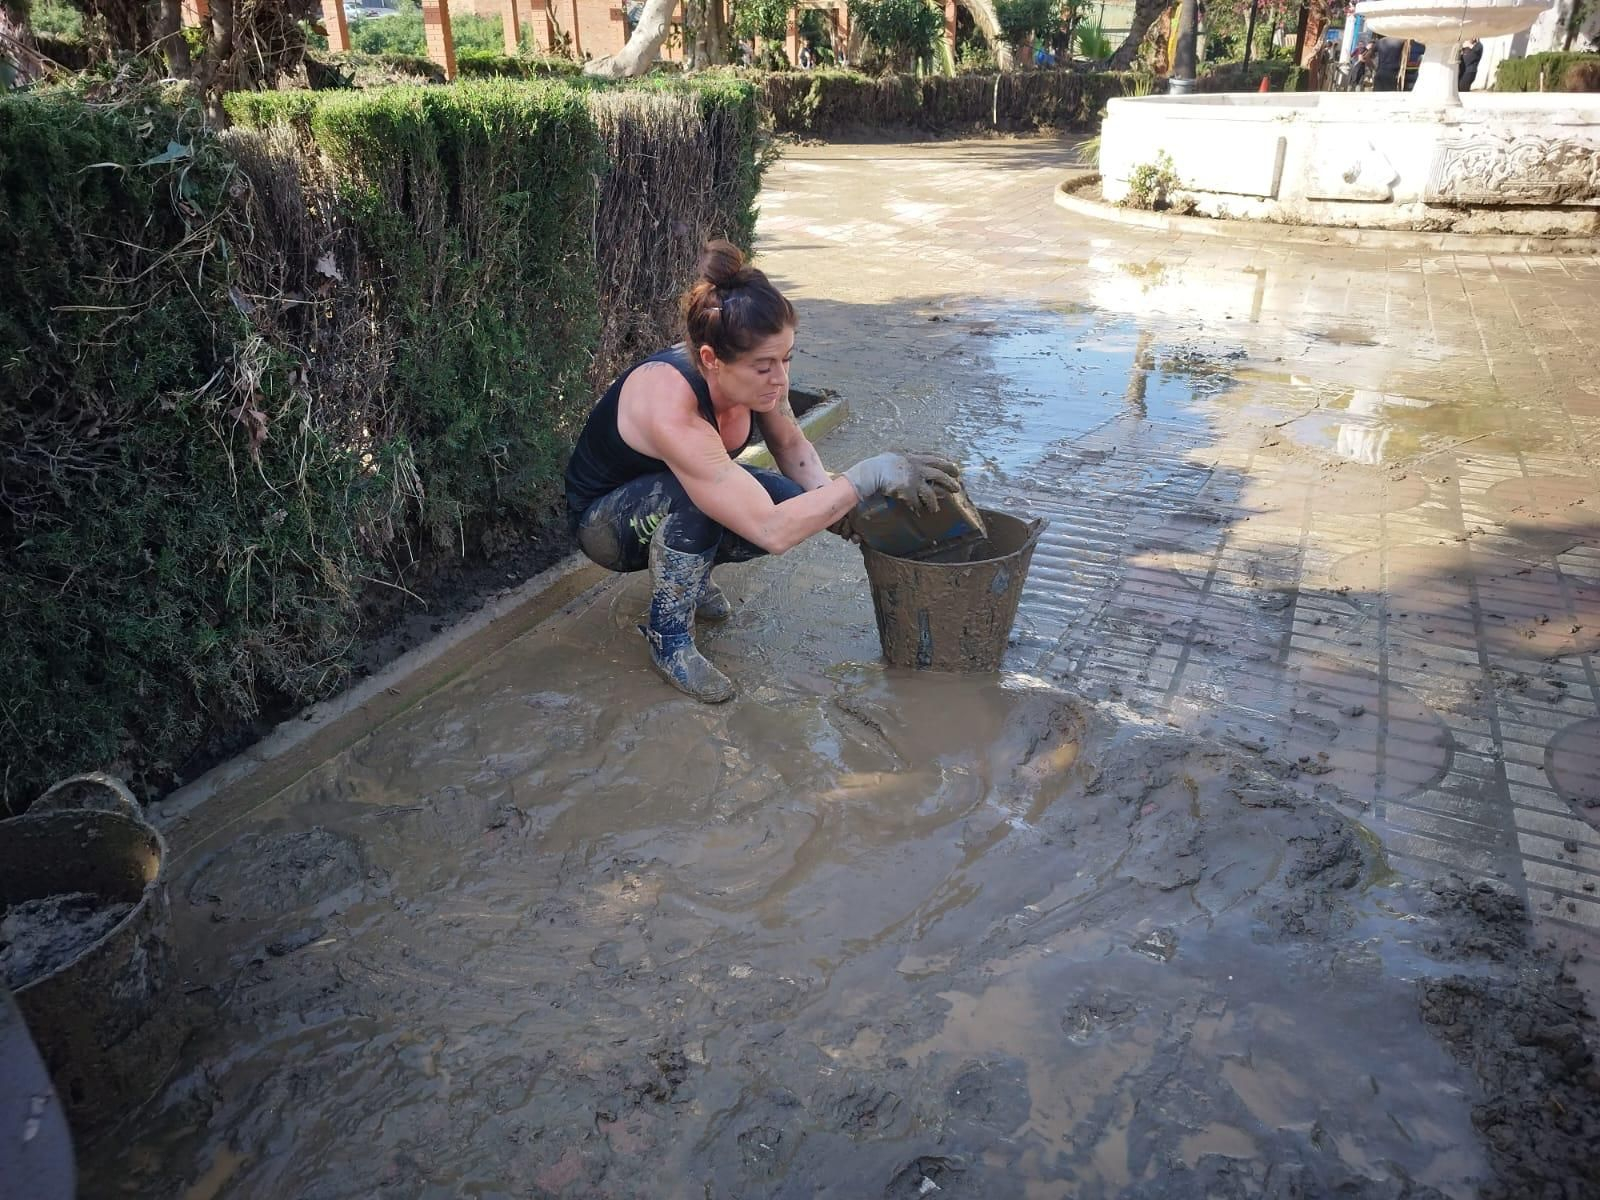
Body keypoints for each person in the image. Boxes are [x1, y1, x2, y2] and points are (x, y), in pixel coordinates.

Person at [564, 241, 961, 703]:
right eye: (764, 366)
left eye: (786, 359)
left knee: (790, 497)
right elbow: (771, 531)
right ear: (712, 359)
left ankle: (690, 572)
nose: (780, 378)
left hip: (674, 489)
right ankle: (668, 635)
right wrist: (864, 477)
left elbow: (791, 445)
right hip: (607, 523)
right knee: (702, 503)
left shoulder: (756, 378)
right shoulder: (668, 405)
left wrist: (841, 508)